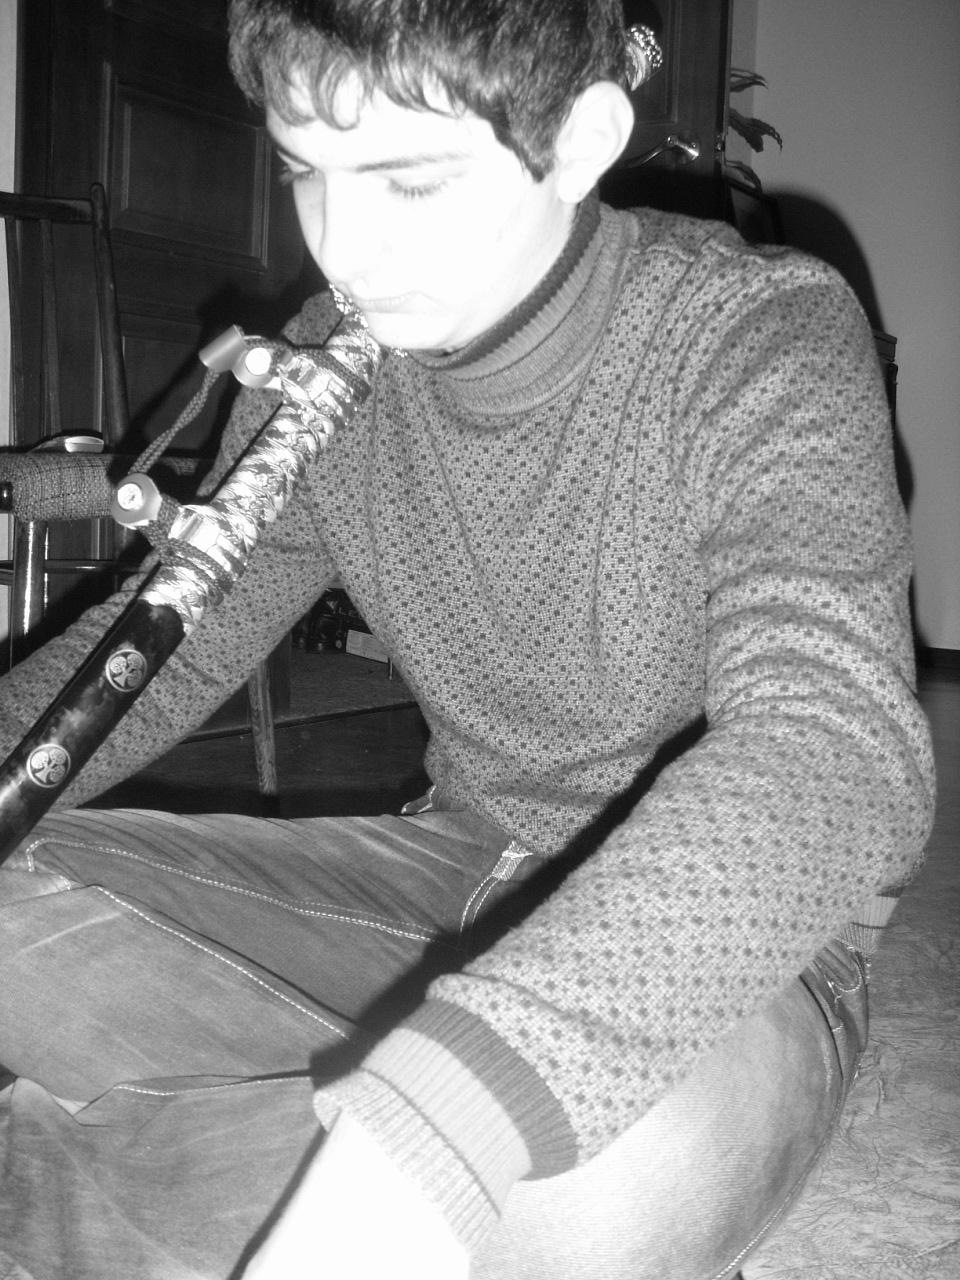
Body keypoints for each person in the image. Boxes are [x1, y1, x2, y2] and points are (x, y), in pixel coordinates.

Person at [0, 1, 935, 1277]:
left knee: (599, 1182)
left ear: (580, 139)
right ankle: (348, 1138)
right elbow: (167, 652)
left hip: (723, 948)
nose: (345, 249)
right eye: (306, 171)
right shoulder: (330, 367)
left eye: (410, 180)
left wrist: (440, 1124)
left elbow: (839, 752)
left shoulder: (759, 329)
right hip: (448, 871)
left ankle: (115, 1176)